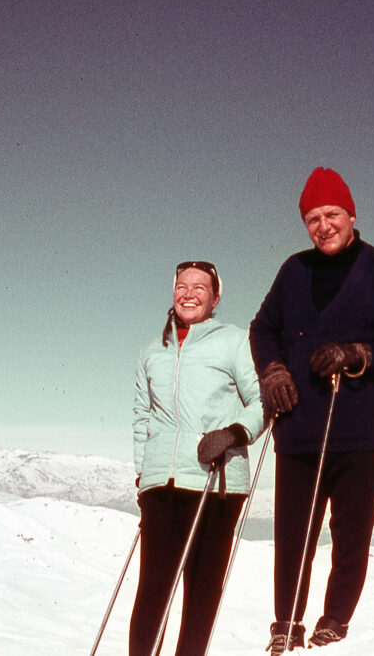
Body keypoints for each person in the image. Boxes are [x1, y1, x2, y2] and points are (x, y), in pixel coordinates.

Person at [250, 167, 374, 653]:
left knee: (350, 537)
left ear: (352, 215)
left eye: (331, 214)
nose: (323, 226)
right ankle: (286, 626)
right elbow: (263, 329)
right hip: (299, 428)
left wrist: (362, 355)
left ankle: (334, 625)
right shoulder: (294, 271)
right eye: (312, 218)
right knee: (294, 537)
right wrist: (272, 372)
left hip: (362, 431)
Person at [130, 260, 265, 656]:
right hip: (162, 484)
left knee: (202, 591)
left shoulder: (235, 340)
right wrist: (144, 473)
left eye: (200, 287)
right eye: (182, 285)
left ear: (216, 297)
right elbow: (142, 416)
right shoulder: (152, 350)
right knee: (152, 588)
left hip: (215, 481)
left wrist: (234, 433)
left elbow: (260, 400)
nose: (189, 293)